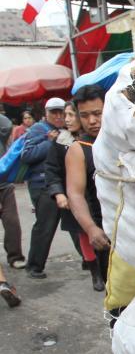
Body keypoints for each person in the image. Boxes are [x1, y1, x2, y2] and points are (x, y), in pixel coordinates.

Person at [66, 85, 109, 291]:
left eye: (97, 114)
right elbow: (75, 194)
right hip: (106, 234)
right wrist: (91, 228)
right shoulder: (79, 149)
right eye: (84, 116)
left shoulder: (126, 140)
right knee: (119, 301)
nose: (91, 121)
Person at [20, 97, 66, 279]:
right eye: (53, 112)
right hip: (42, 185)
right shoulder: (39, 129)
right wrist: (49, 142)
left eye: (60, 112)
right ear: (46, 114)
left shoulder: (66, 129)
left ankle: (90, 261)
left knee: (74, 223)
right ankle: (34, 266)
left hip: (62, 183)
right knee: (45, 226)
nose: (58, 116)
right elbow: (27, 155)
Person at [44, 101, 92, 275]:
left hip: (96, 196)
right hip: (74, 197)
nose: (67, 120)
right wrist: (59, 193)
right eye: (66, 116)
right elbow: (51, 170)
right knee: (83, 233)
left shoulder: (98, 140)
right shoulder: (60, 141)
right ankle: (94, 272)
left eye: (72, 115)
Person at [0, 112, 26, 269]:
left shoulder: (2, 132)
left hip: (4, 185)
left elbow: (6, 124)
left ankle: (15, 256)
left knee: (12, 223)